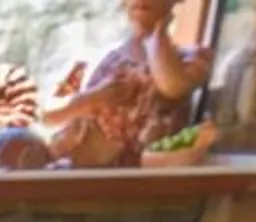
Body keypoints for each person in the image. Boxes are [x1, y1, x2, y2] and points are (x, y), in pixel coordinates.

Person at [47, 0, 211, 168]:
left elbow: (173, 84)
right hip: (91, 177)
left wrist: (155, 34)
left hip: (143, 183)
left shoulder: (189, 57)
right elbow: (64, 122)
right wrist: (98, 98)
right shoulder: (111, 60)